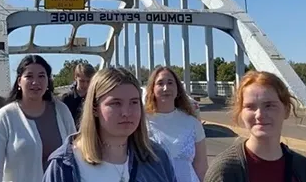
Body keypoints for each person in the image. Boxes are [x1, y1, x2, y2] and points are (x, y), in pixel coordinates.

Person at [42, 67, 177, 182]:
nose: (126, 112)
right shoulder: (64, 166)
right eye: (116, 103)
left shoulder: (156, 158)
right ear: (94, 108)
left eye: (134, 102)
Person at [0, 55, 77, 182]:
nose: (35, 82)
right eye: (29, 76)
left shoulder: (61, 111)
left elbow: (76, 153)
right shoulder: (5, 117)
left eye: (41, 76)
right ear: (19, 81)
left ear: (48, 81)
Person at [204, 70, 306, 182]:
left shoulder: (302, 168)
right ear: (241, 112)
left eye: (269, 105)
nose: (260, 115)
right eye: (250, 106)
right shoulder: (225, 171)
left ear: (286, 110)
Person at [145, 66, 208, 182]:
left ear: (178, 89)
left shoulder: (192, 123)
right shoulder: (142, 123)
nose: (166, 88)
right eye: (160, 83)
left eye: (170, 83)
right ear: (152, 89)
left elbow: (202, 167)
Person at [60, 63, 96, 129]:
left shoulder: (95, 98)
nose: (85, 85)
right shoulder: (66, 99)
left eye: (88, 81)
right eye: (82, 81)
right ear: (75, 78)